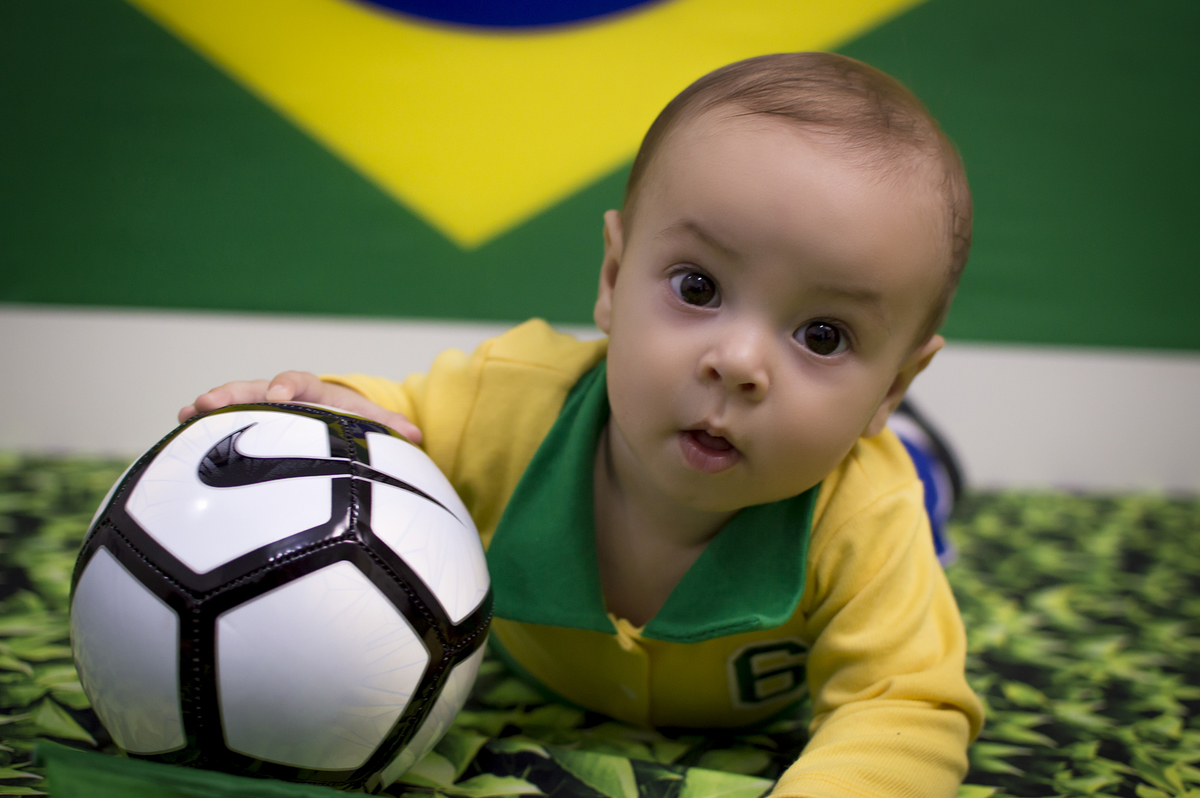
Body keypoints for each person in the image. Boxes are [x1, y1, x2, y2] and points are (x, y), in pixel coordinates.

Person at [181, 52, 984, 797]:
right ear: (611, 276)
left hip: (872, 507)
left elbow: (906, 706)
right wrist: (320, 412)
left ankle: (918, 445)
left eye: (822, 336)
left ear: (894, 382)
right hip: (552, 668)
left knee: (913, 491)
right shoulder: (510, 402)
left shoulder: (863, 516)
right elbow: (393, 422)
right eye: (698, 287)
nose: (738, 361)